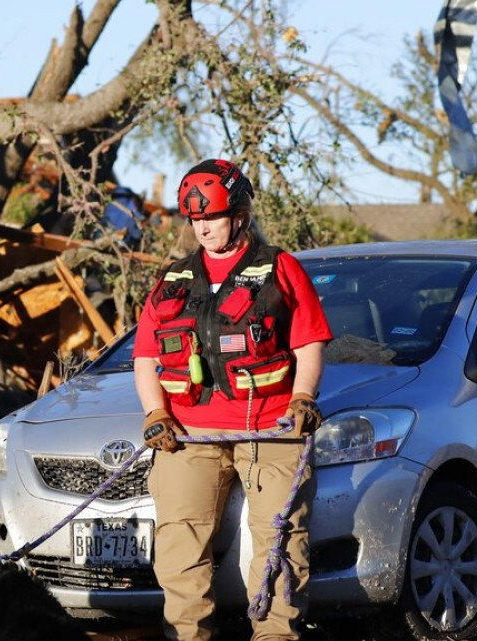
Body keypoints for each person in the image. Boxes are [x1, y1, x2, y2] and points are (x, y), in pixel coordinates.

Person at [132, 159, 332, 641]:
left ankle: (276, 635)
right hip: (189, 435)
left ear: (239, 215)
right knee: (180, 545)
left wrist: (302, 398)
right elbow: (144, 358)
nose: (203, 227)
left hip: (271, 429)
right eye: (196, 219)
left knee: (280, 544)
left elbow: (310, 343)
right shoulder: (174, 278)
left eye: (213, 217)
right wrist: (156, 412)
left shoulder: (281, 268)